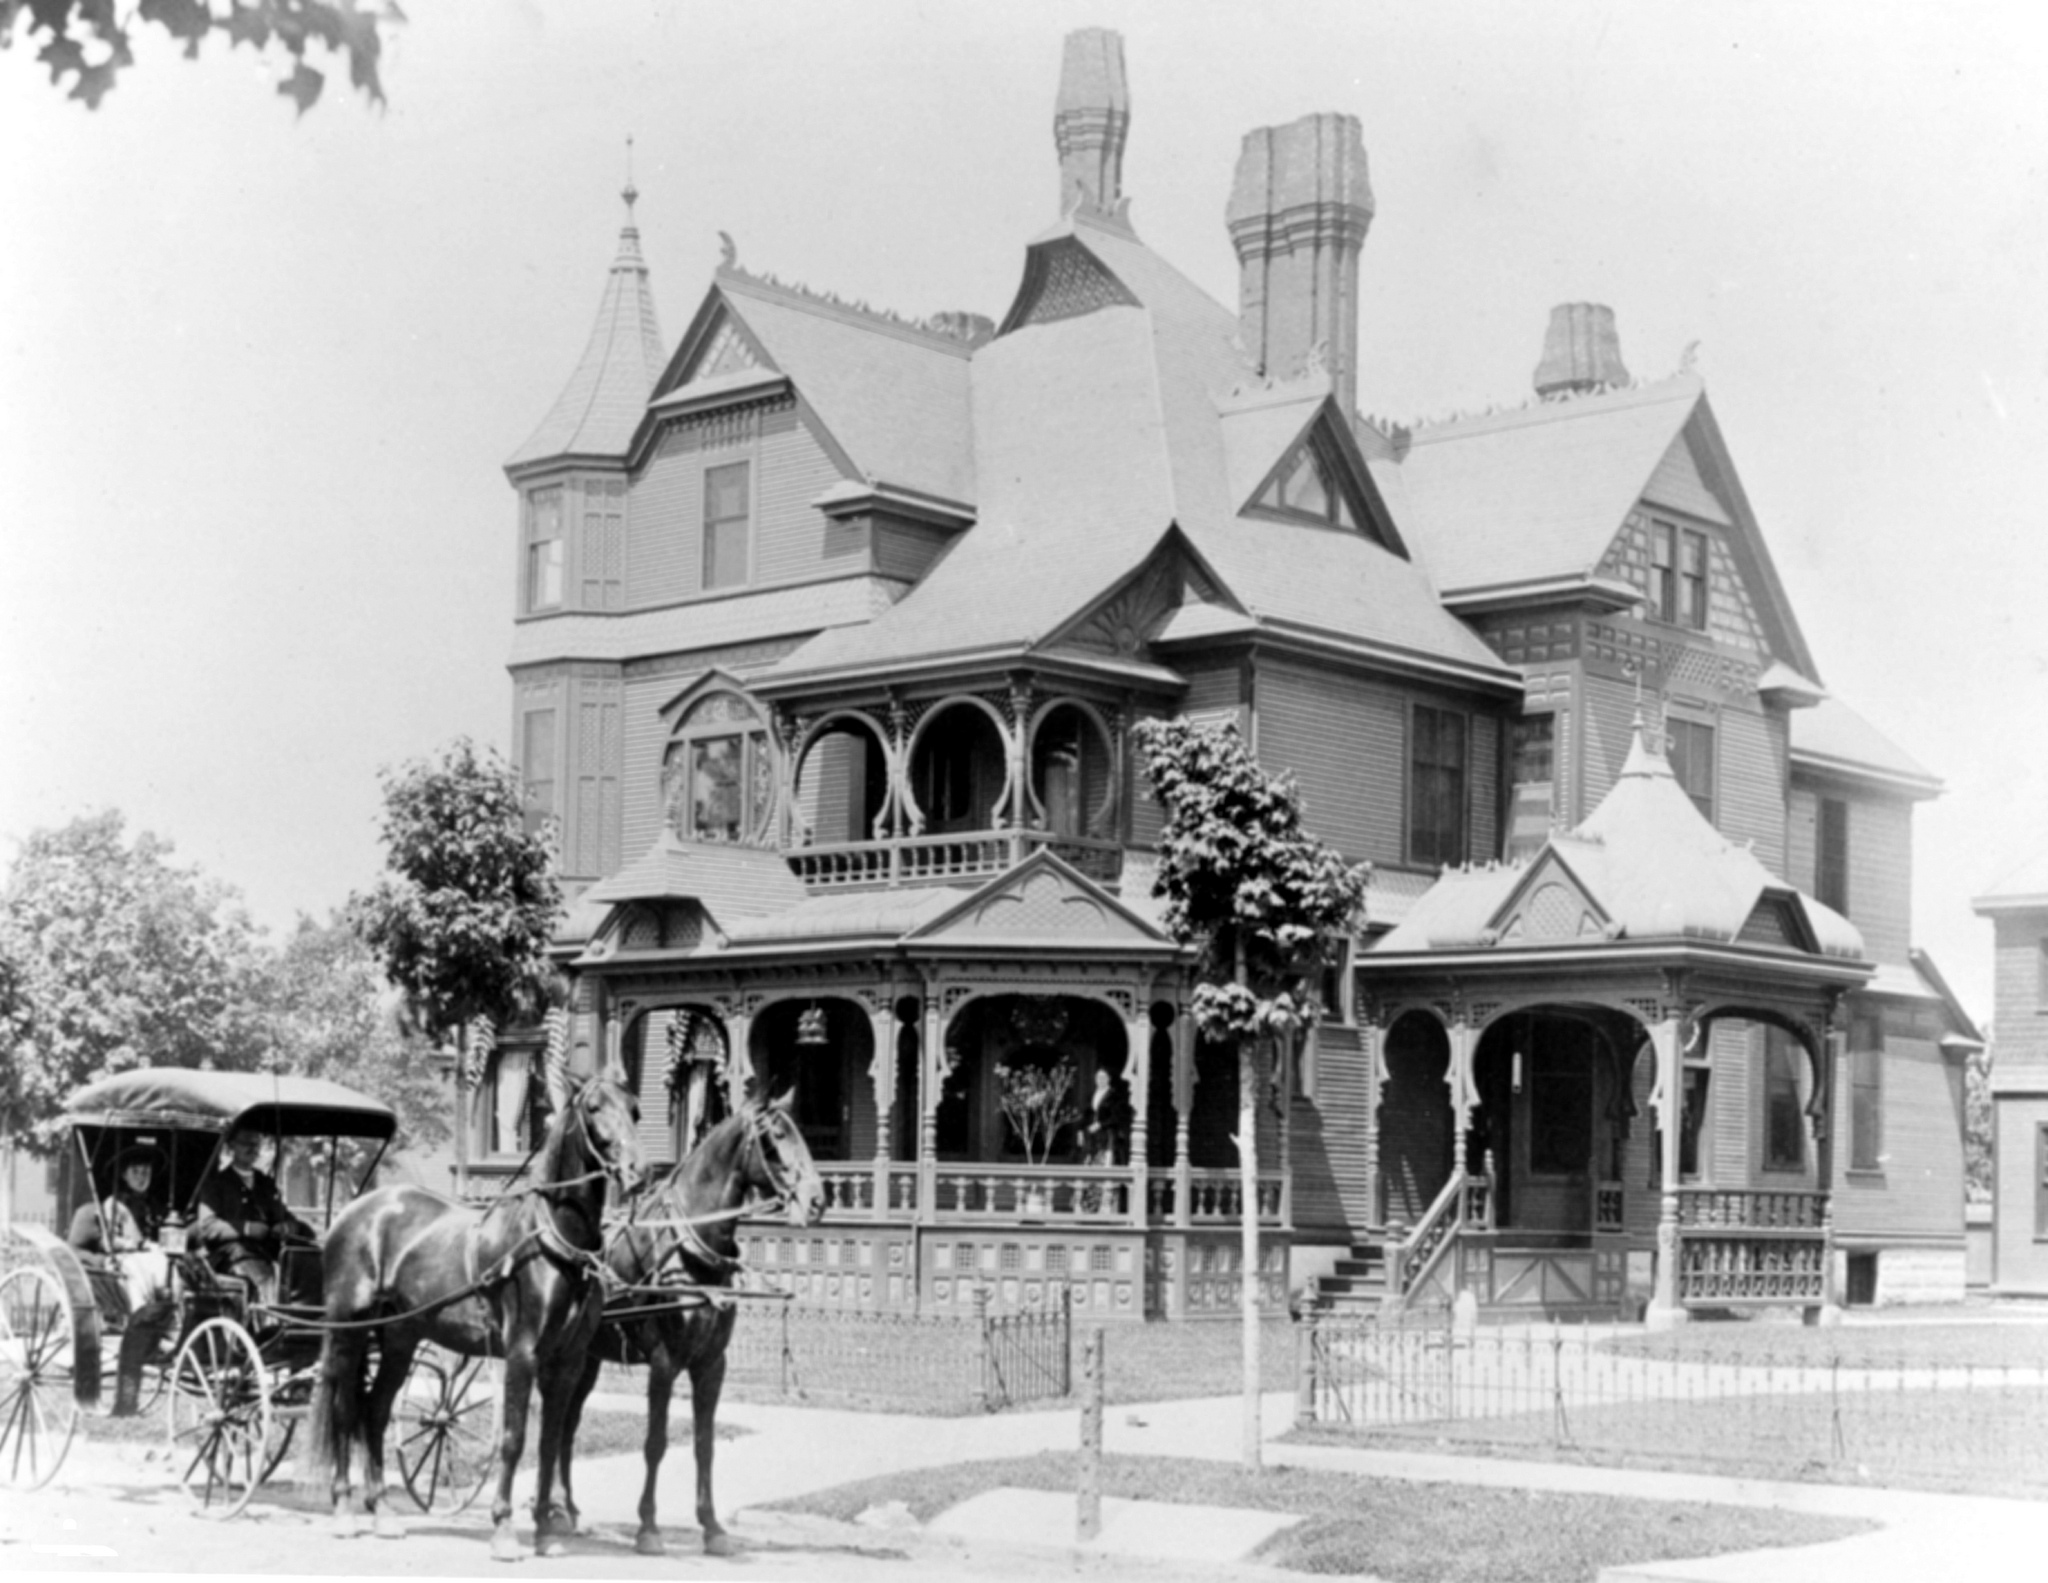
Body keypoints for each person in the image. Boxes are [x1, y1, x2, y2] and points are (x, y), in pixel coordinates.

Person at [67, 1144, 175, 1416]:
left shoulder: (155, 1206)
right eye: (136, 1171)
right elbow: (91, 1246)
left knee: (170, 1266)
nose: (142, 1177)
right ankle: (145, 1316)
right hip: (122, 1270)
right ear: (124, 1175)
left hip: (153, 1267)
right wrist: (128, 1246)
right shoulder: (108, 1207)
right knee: (140, 1267)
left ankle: (171, 1319)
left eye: (146, 1172)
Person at [193, 1125, 314, 1304]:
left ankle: (312, 1318)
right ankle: (270, 1326)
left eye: (256, 1144)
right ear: (231, 1145)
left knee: (310, 1259)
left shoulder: (266, 1184)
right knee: (261, 1274)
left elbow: (283, 1215)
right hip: (230, 1254)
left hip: (267, 1251)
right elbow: (208, 1227)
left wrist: (287, 1226)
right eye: (245, 1143)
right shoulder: (216, 1184)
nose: (252, 1148)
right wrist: (247, 1229)